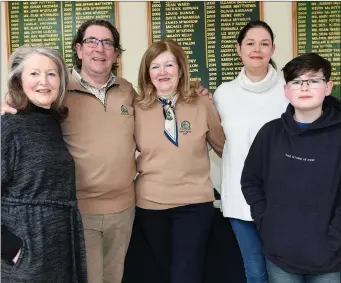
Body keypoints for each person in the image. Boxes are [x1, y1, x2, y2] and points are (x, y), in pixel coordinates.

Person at [241, 53, 341, 282]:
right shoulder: (270, 133)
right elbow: (250, 180)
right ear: (287, 91)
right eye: (296, 81)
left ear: (328, 87)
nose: (304, 87)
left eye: (313, 80)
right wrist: (267, 224)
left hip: (329, 258)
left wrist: (334, 239)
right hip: (280, 256)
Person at [134, 39, 225, 283]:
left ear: (181, 69)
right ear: (147, 73)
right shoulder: (135, 107)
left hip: (194, 204)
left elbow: (224, 149)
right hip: (150, 206)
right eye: (155, 66)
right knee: (162, 274)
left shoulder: (202, 103)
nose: (162, 72)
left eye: (169, 65)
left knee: (186, 275)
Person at [1, 46, 87, 282]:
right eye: (34, 74)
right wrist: (9, 247)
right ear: (18, 80)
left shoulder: (49, 121)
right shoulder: (9, 126)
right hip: (26, 255)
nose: (44, 81)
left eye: (51, 74)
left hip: (57, 249)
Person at [213, 20, 288, 283]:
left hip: (283, 201)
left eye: (264, 43)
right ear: (238, 49)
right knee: (255, 271)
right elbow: (220, 141)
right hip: (239, 199)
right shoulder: (223, 94)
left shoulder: (289, 90)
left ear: (273, 49)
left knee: (283, 272)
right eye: (250, 43)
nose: (257, 49)